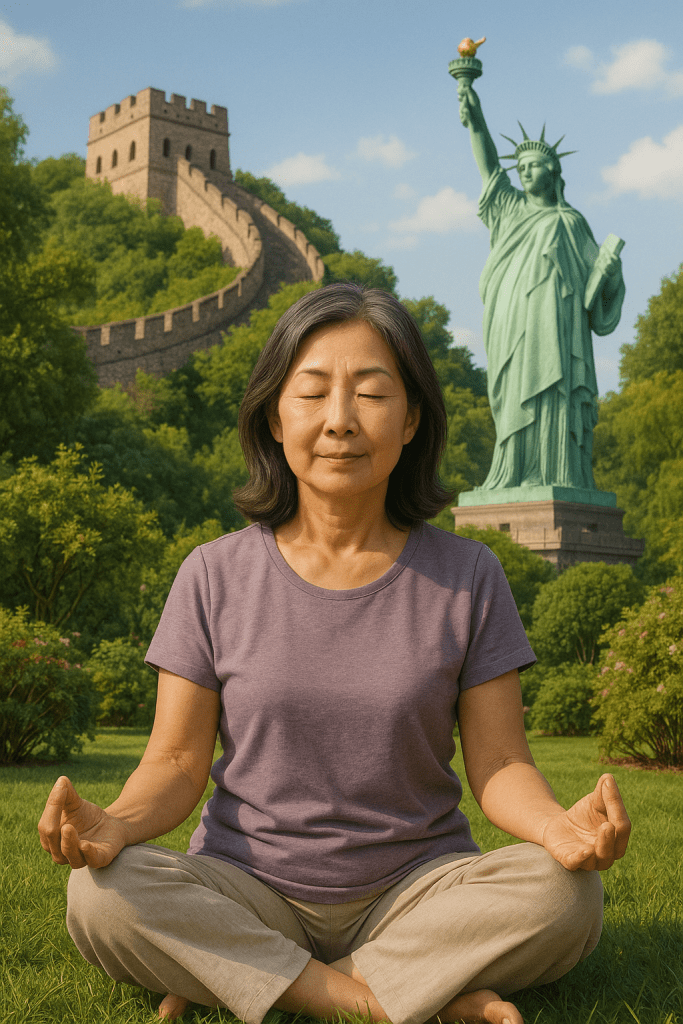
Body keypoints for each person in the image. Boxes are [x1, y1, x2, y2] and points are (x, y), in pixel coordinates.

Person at [38, 285, 631, 1024]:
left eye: (372, 394)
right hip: (246, 883)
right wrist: (117, 824)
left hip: (415, 888)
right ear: (273, 416)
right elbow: (177, 764)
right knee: (99, 894)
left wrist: (555, 829)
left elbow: (501, 763)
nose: (340, 421)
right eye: (312, 392)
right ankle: (388, 996)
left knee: (566, 894)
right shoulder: (212, 573)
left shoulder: (468, 573)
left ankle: (241, 976)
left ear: (411, 418)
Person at [458, 83, 625, 491]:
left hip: (559, 328)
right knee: (515, 393)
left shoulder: (571, 222)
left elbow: (596, 287)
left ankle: (560, 473)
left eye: (534, 165)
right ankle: (511, 472)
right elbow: (488, 163)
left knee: (556, 392)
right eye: (522, 167)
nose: (526, 172)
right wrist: (474, 111)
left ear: (554, 172)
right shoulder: (508, 210)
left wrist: (612, 272)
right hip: (512, 321)